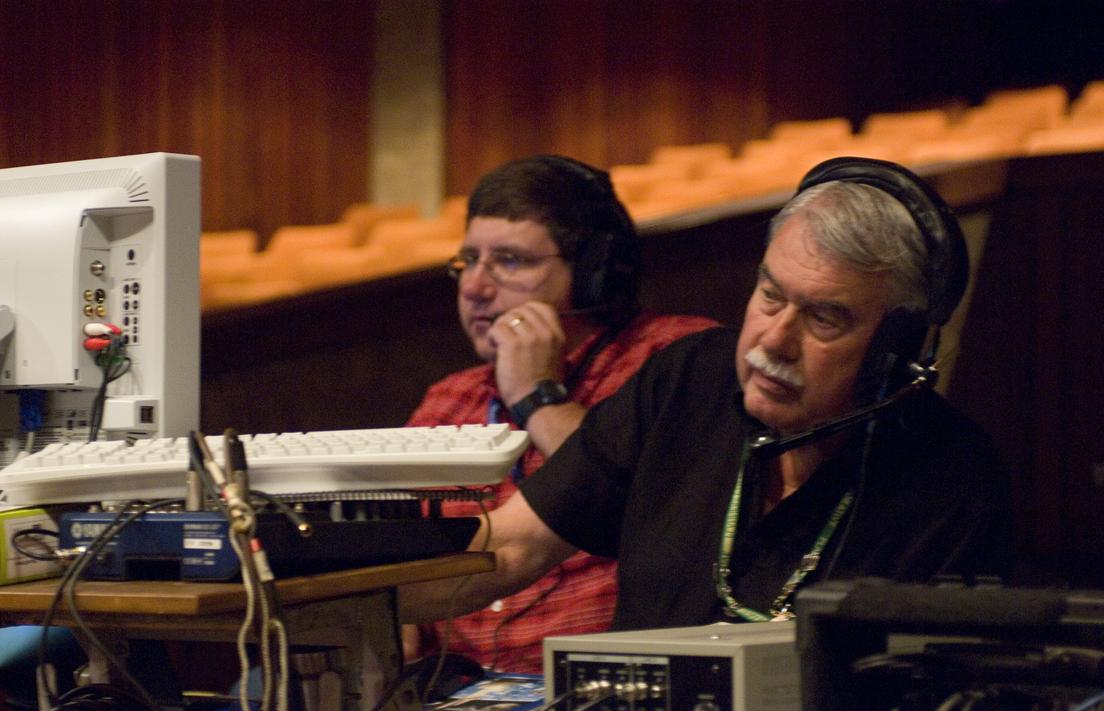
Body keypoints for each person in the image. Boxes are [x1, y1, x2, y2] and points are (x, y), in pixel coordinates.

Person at [400, 157, 1013, 634]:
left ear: (892, 348)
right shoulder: (688, 379)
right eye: (770, 295)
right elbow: (506, 548)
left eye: (824, 318)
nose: (775, 340)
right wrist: (322, 597)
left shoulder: (953, 480)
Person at [405, 155, 717, 673]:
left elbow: (656, 507)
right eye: (467, 261)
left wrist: (536, 397)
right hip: (452, 696)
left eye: (509, 260)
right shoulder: (447, 400)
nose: (475, 287)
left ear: (595, 275)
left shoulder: (672, 362)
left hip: (590, 687)